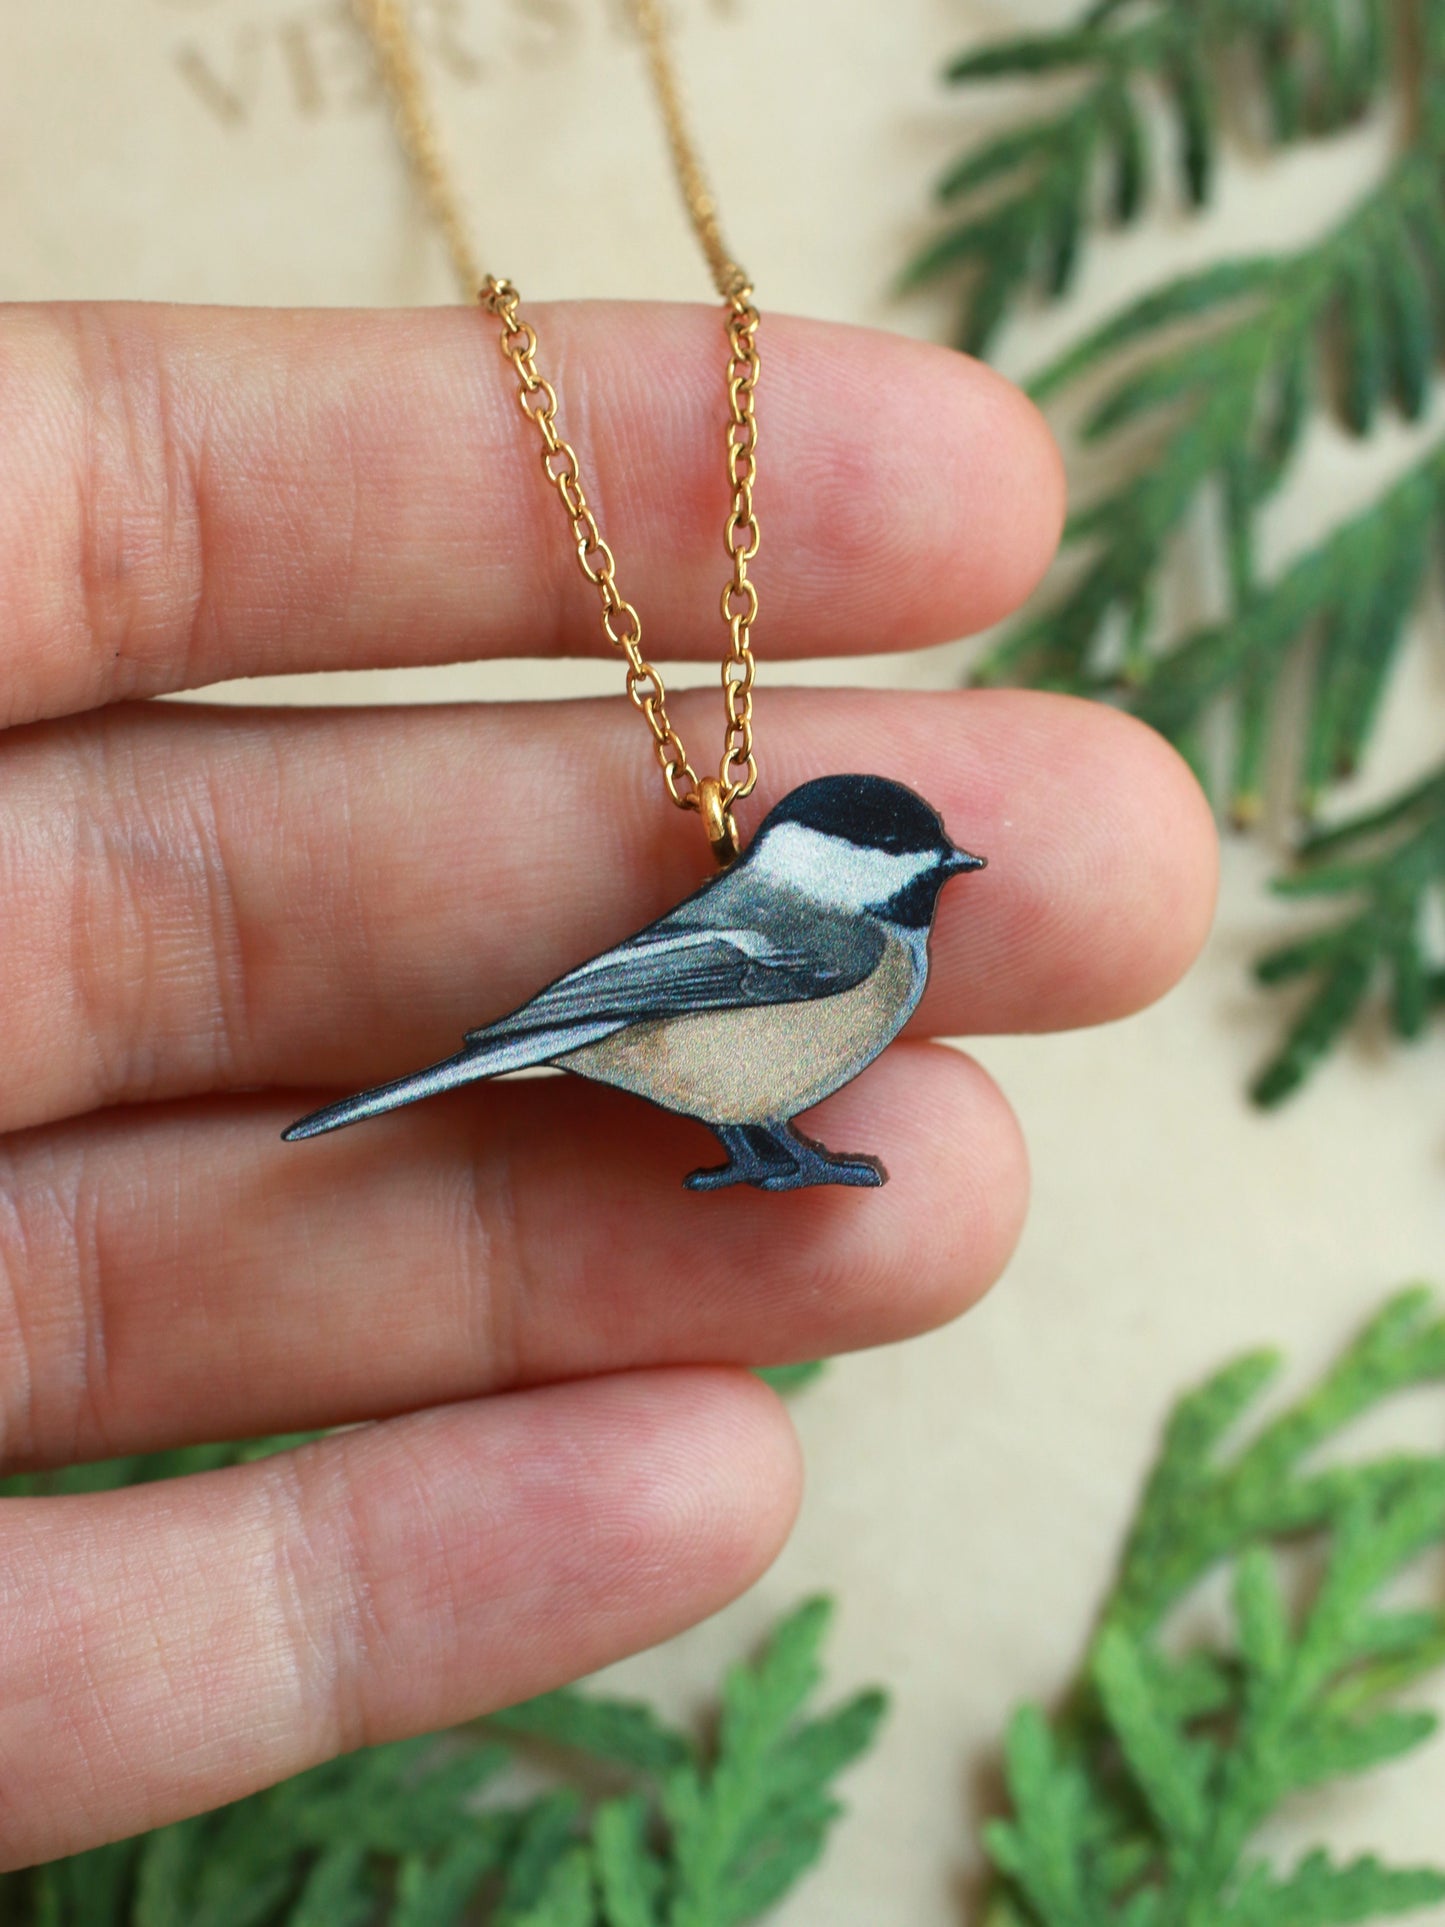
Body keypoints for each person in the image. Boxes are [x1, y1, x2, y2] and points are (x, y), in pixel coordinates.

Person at [0, 301, 1217, 1867]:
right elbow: (663, 988)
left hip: (679, 1052)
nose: (930, 890)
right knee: (714, 1099)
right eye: (907, 873)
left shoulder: (863, 943)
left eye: (931, 870)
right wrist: (556, 1038)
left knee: (778, 1130)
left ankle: (766, 1150)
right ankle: (762, 1147)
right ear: (840, 877)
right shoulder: (824, 942)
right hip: (633, 1026)